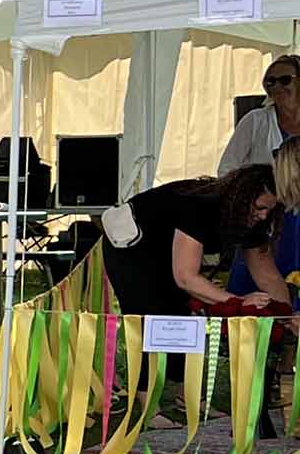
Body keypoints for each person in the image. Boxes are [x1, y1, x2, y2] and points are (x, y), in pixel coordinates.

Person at [99, 165, 282, 316]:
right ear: (242, 199)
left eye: (270, 210)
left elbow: (268, 276)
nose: (264, 216)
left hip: (168, 251)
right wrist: (238, 302)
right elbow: (187, 279)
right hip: (132, 245)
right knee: (156, 318)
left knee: (180, 318)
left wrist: (286, 314)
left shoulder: (254, 220)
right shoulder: (201, 207)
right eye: (260, 208)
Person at [218, 55, 300, 175]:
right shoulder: (255, 120)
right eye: (271, 81)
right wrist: (253, 192)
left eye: (285, 80)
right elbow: (226, 169)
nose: (277, 86)